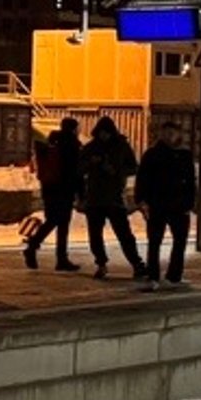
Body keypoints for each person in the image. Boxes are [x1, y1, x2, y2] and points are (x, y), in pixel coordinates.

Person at [134, 121, 198, 292]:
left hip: (178, 205)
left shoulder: (185, 155)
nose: (170, 136)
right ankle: (153, 274)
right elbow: (142, 178)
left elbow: (191, 182)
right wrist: (141, 199)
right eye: (167, 133)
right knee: (154, 241)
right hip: (158, 204)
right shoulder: (152, 155)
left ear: (178, 135)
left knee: (180, 241)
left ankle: (174, 275)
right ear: (161, 134)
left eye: (173, 133)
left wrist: (190, 203)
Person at [80, 116, 143, 280]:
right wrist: (92, 164)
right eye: (101, 133)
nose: (103, 136)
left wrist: (116, 170)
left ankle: (137, 263)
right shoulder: (91, 148)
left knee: (124, 233)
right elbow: (78, 168)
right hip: (95, 197)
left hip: (114, 196)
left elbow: (133, 167)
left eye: (106, 133)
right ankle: (101, 263)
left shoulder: (121, 147)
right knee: (95, 234)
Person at [23, 118, 82, 272]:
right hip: (64, 189)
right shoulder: (71, 145)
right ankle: (52, 254)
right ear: (74, 129)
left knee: (53, 220)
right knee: (61, 223)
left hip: (48, 188)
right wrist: (80, 193)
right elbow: (75, 172)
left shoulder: (51, 142)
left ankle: (41, 249)